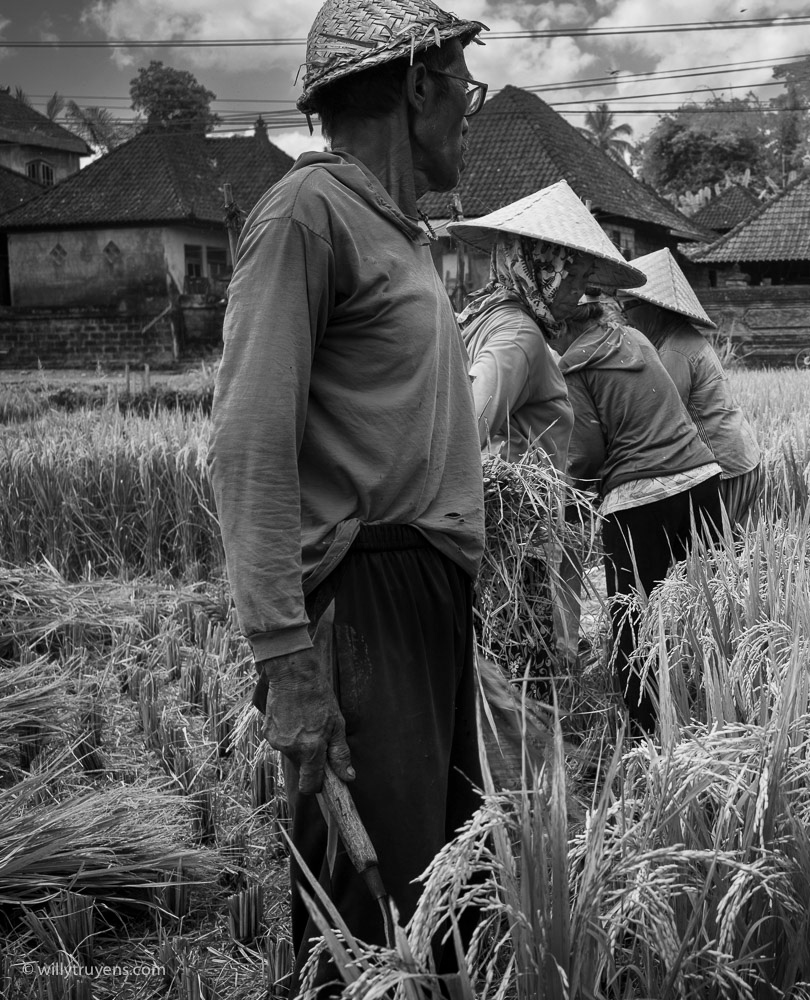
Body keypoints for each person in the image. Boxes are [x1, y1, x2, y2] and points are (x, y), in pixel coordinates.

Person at [208, 0, 488, 984]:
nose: (468, 110)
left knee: (445, 898)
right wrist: (287, 660)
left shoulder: (397, 231)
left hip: (427, 598)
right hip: (362, 602)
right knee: (370, 920)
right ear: (418, 84)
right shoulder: (306, 215)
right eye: (462, 87)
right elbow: (248, 441)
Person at [450, 180, 647, 671]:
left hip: (515, 532)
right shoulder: (518, 333)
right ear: (543, 269)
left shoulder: (487, 317)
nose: (581, 292)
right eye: (574, 276)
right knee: (530, 671)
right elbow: (468, 424)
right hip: (522, 539)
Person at [556, 291, 722, 734]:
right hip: (701, 477)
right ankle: (717, 708)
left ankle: (646, 734)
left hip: (638, 499)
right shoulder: (635, 337)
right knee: (706, 605)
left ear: (562, 325)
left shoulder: (572, 364)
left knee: (635, 621)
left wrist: (569, 499)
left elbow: (587, 450)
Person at [621, 248, 764, 529]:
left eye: (629, 309)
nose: (626, 319)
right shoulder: (676, 340)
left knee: (715, 552)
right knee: (723, 550)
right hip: (737, 458)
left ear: (653, 308)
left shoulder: (675, 350)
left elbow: (662, 417)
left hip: (726, 466)